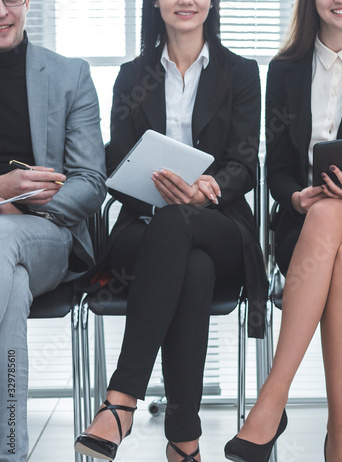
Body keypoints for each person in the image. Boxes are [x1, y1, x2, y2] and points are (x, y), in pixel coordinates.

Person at [73, 0, 264, 460]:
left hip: (219, 227)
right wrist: (158, 194)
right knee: (190, 267)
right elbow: (117, 161)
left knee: (188, 235)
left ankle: (120, 403)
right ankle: (184, 440)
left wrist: (208, 187)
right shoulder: (131, 75)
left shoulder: (239, 72)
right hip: (143, 228)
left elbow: (245, 164)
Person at [225, 0, 342, 460]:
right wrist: (294, 197)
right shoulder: (285, 69)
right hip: (304, 227)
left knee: (334, 218)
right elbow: (279, 168)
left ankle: (273, 398)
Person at [0, 0, 106, 459]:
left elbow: (90, 181)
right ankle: (10, 448)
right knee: (11, 282)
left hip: (46, 233)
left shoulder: (68, 74)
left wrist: (23, 208)